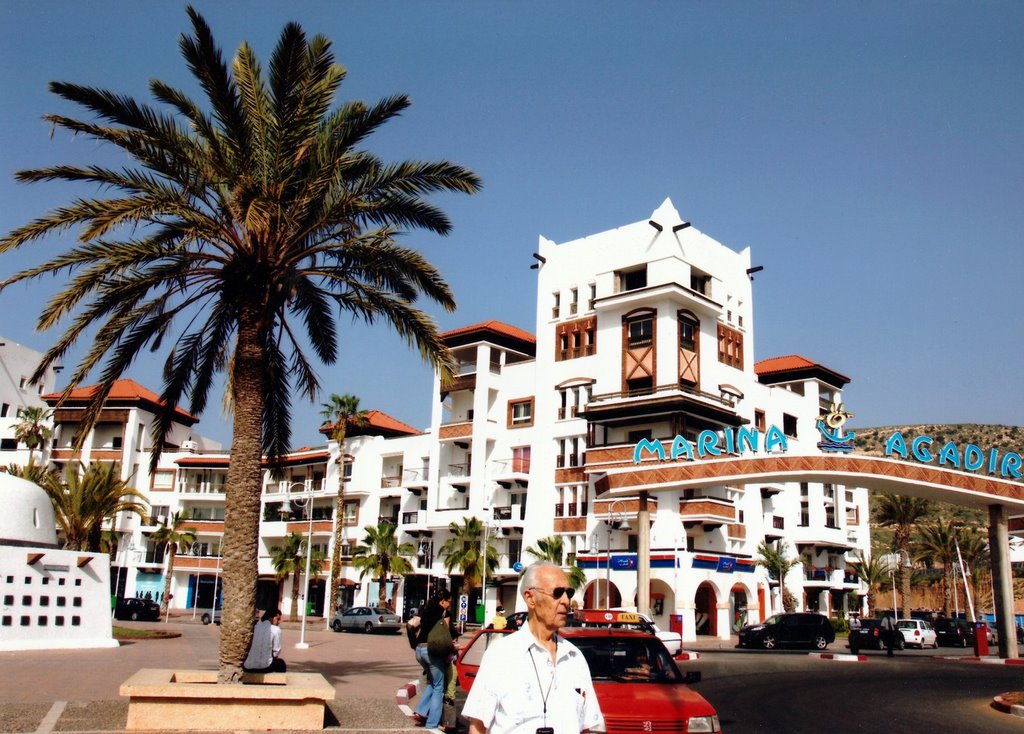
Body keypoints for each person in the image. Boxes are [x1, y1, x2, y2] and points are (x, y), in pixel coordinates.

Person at [463, 562, 603, 734]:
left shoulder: (575, 658)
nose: (566, 601)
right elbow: (477, 726)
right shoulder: (500, 655)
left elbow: (587, 726)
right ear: (530, 598)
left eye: (569, 593)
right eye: (557, 593)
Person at [412, 590, 453, 730]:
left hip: (419, 650)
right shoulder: (444, 613)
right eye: (449, 602)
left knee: (434, 682)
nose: (449, 604)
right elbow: (446, 634)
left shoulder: (426, 610)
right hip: (431, 651)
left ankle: (421, 711)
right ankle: (432, 723)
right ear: (443, 601)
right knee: (439, 687)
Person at [243, 608, 286, 673]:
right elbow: (276, 651)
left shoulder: (255, 627)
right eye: (278, 619)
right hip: (265, 667)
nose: (278, 622)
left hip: (248, 667)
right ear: (271, 618)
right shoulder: (276, 629)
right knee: (281, 663)